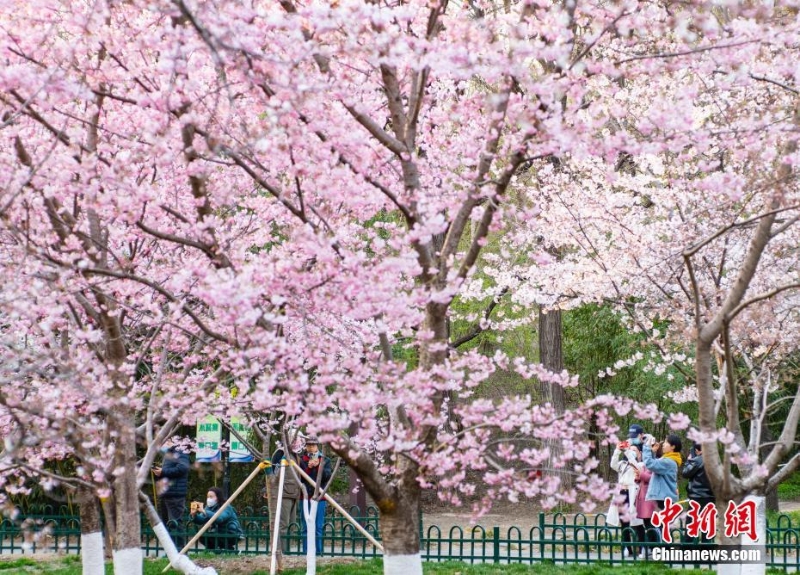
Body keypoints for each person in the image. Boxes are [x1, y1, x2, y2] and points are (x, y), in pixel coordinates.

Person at [608, 440, 643, 557]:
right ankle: (627, 548)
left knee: (637, 523)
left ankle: (642, 548)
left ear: (639, 453)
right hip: (622, 493)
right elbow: (613, 465)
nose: (631, 452)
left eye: (634, 450)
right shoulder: (623, 464)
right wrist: (617, 450)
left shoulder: (641, 464)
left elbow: (635, 464)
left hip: (634, 494)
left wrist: (628, 451)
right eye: (630, 449)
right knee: (624, 522)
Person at [269, 439, 303, 556]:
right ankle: (281, 551)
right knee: (283, 524)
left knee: (292, 525)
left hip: (294, 493)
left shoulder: (295, 455)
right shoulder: (280, 453)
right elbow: (274, 472)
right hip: (283, 493)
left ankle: (287, 550)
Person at [299, 438, 333, 555]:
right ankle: (305, 553)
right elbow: (300, 478)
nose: (311, 448)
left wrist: (319, 466)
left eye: (313, 445)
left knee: (318, 527)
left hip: (319, 497)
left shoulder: (325, 460)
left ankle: (318, 553)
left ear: (317, 446)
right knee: (305, 528)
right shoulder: (301, 460)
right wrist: (308, 467)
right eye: (308, 445)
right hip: (304, 496)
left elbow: (327, 477)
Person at [153, 443, 190, 547]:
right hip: (166, 492)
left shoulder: (180, 451)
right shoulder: (168, 454)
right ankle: (171, 551)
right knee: (167, 523)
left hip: (176, 493)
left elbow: (183, 468)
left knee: (175, 522)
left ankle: (179, 550)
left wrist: (163, 471)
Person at [682, 441, 715, 546]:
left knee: (691, 524)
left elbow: (685, 473)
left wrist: (688, 461)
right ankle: (706, 552)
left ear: (697, 450)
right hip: (710, 497)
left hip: (696, 497)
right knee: (707, 525)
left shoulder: (696, 461)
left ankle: (688, 550)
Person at [190, 487, 243, 551]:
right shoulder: (209, 507)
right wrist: (194, 515)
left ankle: (228, 549)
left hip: (231, 532)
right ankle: (213, 550)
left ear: (218, 498)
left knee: (213, 537)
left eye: (211, 497)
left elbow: (220, 519)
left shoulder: (226, 506)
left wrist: (204, 511)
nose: (209, 499)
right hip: (217, 532)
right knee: (202, 536)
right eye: (208, 497)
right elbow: (201, 520)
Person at [642, 433, 683, 510]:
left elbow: (650, 464)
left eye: (666, 442)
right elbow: (655, 464)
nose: (663, 444)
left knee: (660, 521)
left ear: (673, 447)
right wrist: (652, 452)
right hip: (664, 497)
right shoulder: (669, 459)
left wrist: (647, 447)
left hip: (663, 499)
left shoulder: (669, 462)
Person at [634, 441, 659, 558]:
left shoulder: (656, 462)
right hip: (642, 497)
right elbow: (642, 476)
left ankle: (654, 548)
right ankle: (650, 547)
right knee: (646, 523)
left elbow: (653, 477)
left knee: (651, 523)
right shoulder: (644, 463)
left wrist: (641, 475)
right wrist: (638, 477)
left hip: (650, 498)